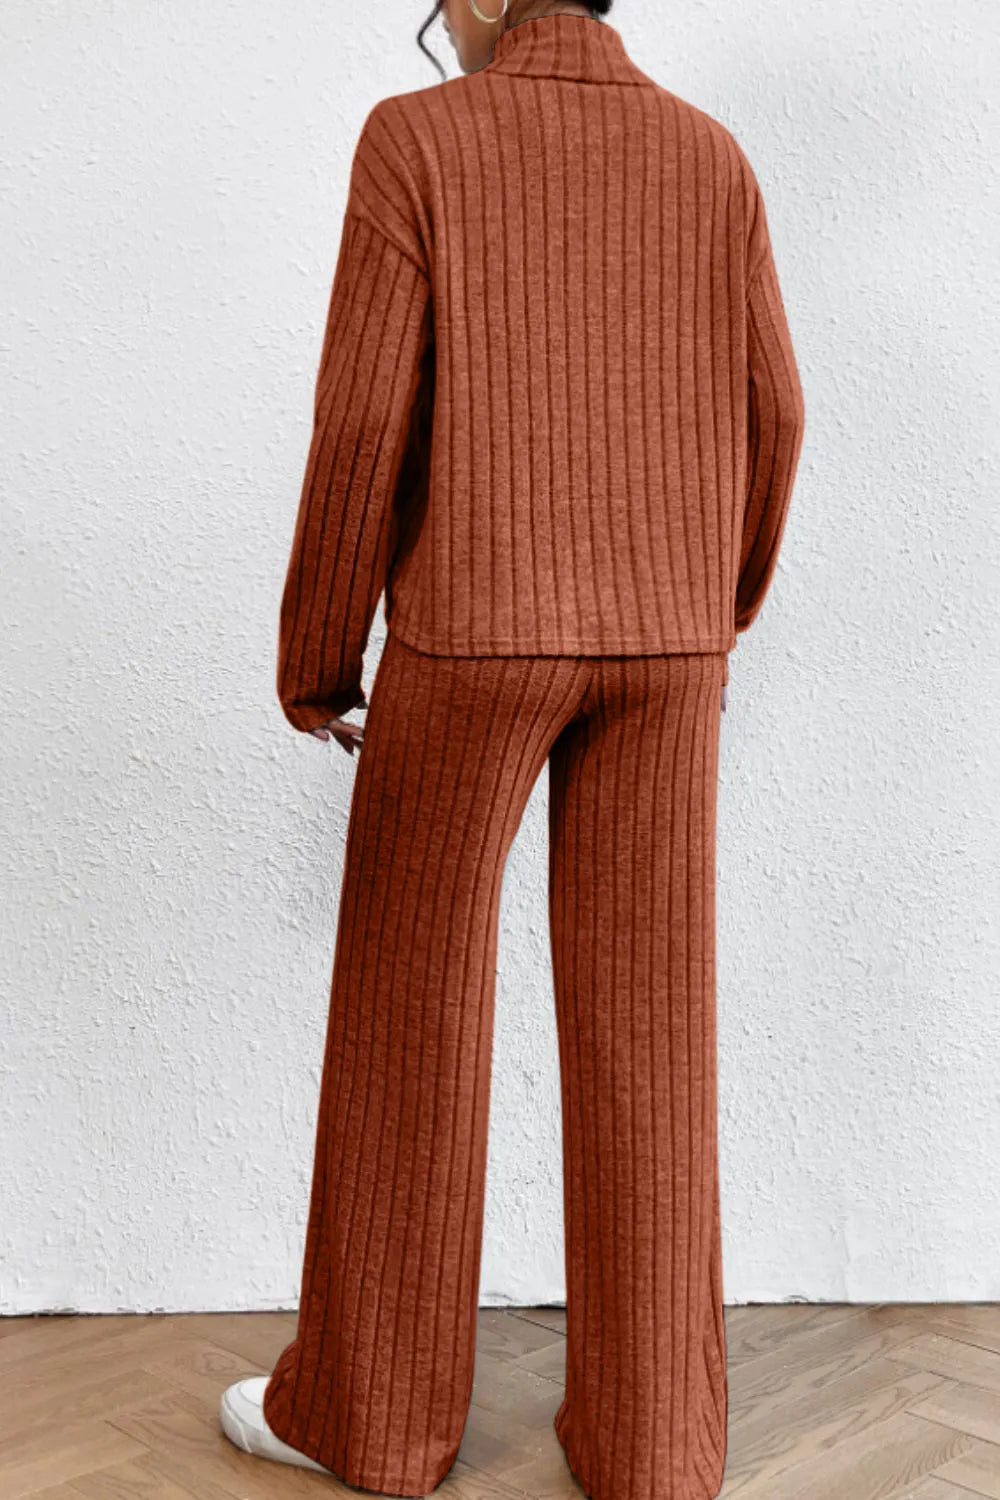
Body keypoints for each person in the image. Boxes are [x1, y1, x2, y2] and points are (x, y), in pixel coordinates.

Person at [219, 1, 805, 1496]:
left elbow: (363, 422)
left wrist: (319, 653)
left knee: (408, 1010)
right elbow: (777, 410)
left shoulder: (418, 141)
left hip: (472, 638)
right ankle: (655, 1446)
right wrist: (708, 607)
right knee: (650, 1029)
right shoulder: (711, 156)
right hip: (670, 651)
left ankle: (371, 1421)